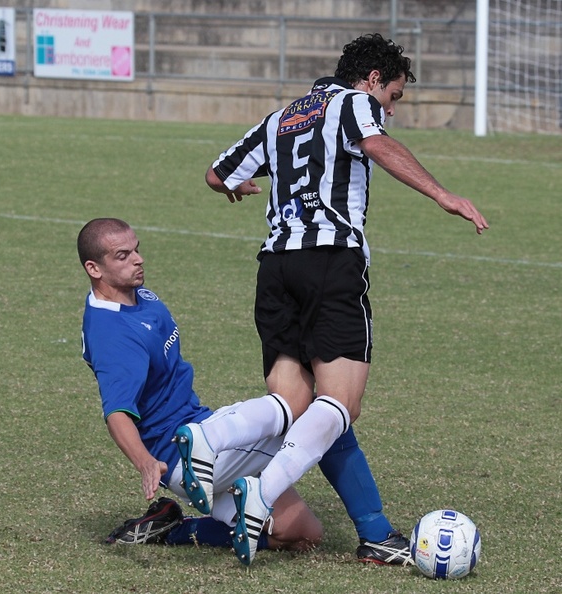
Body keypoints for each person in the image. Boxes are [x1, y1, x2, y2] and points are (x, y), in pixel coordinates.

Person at [179, 33, 489, 567]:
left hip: (275, 266)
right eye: (392, 97)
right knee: (341, 404)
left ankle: (368, 528)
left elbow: (217, 174)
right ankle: (256, 487)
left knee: (302, 409)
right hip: (331, 259)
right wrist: (444, 194)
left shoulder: (282, 116)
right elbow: (376, 144)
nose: (389, 110)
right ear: (371, 80)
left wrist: (239, 187)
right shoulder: (355, 104)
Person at [79, 217, 411, 565]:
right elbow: (116, 412)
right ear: (94, 268)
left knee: (302, 534)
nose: (138, 259)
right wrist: (146, 462)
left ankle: (171, 528)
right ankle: (376, 533)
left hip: (202, 436)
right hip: (183, 454)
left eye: (137, 249)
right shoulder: (112, 334)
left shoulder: (137, 297)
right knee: (324, 414)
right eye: (122, 255)